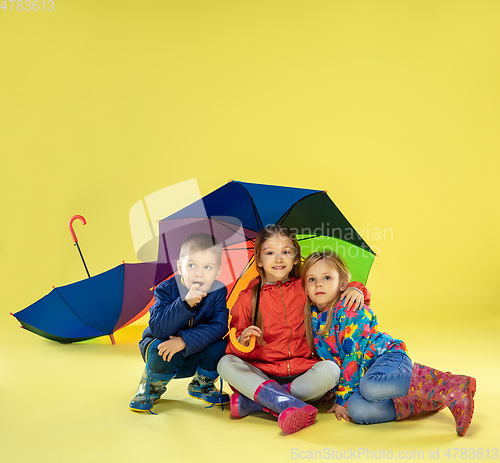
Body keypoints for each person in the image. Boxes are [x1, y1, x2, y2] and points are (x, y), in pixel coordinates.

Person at [301, 251, 476, 436]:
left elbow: (352, 358)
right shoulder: (310, 319)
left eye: (327, 277)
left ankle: (450, 384)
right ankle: (433, 399)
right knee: (357, 410)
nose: (318, 284)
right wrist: (334, 390)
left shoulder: (348, 308)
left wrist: (342, 397)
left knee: (371, 386)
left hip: (388, 358)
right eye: (311, 279)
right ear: (304, 288)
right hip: (363, 376)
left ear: (342, 283)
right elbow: (334, 361)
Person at [217, 225, 368, 434]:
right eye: (270, 253)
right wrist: (242, 342)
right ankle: (287, 403)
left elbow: (334, 289)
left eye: (286, 252)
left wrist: (355, 288)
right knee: (225, 363)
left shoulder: (306, 286)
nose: (278, 259)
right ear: (259, 260)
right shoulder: (247, 298)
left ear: (296, 258)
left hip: (304, 374)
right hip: (263, 373)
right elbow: (234, 345)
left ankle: (262, 402)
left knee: (331, 370)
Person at [129, 233, 229, 413]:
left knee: (221, 345)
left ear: (217, 272)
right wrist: (185, 303)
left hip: (194, 350)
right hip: (164, 351)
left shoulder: (218, 291)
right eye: (191, 265)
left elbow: (219, 326)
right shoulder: (165, 289)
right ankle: (151, 387)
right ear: (180, 267)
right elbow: (158, 329)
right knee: (158, 348)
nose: (199, 273)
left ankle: (201, 384)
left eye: (207, 267)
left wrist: (184, 341)